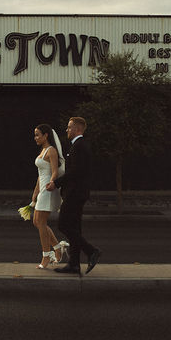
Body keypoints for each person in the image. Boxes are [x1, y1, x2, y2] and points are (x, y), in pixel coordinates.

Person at [47, 116, 101, 275]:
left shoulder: (79, 146)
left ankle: (91, 251)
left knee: (63, 225)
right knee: (75, 228)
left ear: (77, 129)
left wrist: (56, 183)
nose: (67, 130)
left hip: (75, 194)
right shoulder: (79, 145)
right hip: (77, 193)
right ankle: (74, 265)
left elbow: (75, 172)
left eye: (69, 127)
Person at [30, 124, 69, 269]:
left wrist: (51, 184)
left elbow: (54, 172)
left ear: (46, 135)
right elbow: (40, 175)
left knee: (40, 222)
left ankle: (46, 256)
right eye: (35, 135)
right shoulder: (43, 150)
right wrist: (35, 193)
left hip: (48, 189)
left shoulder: (51, 150)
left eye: (37, 135)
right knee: (37, 222)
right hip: (42, 189)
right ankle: (57, 248)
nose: (35, 138)